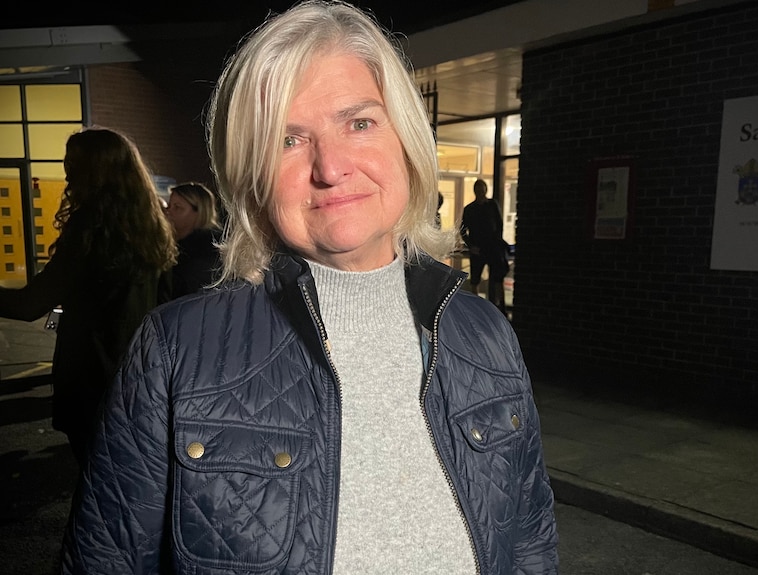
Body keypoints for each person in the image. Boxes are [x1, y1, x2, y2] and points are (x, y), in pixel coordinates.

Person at [60, 2, 558, 573]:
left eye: (359, 122)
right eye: (288, 140)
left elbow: (529, 542)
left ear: (406, 142)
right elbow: (103, 561)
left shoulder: (487, 334)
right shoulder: (174, 350)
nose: (330, 166)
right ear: (251, 176)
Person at [0, 126, 177, 467]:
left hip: (91, 378)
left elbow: (29, 305)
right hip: (139, 376)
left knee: (98, 480)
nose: (65, 169)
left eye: (71, 161)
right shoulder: (152, 227)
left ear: (93, 169)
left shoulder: (89, 227)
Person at [164, 181, 223, 298]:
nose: (168, 212)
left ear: (199, 212)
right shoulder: (171, 246)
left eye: (177, 208)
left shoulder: (205, 253)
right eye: (168, 206)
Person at [460, 178, 509, 313]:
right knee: (476, 279)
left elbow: (499, 225)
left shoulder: (488, 206)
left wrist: (497, 241)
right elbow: (462, 230)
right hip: (479, 248)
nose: (480, 193)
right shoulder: (474, 208)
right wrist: (471, 246)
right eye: (478, 190)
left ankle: (499, 306)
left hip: (491, 247)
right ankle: (482, 309)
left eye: (481, 190)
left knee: (495, 278)